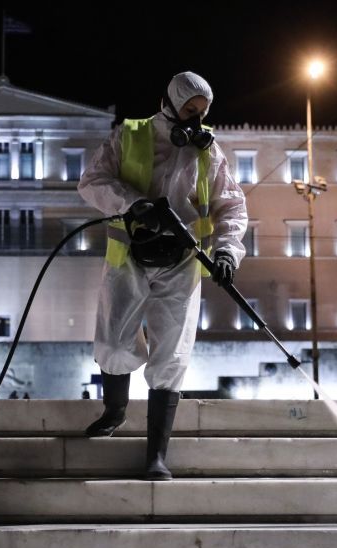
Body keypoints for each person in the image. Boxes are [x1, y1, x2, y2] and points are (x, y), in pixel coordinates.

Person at [77, 71, 248, 480]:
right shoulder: (129, 135)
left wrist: (226, 253)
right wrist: (133, 204)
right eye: (190, 110)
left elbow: (231, 206)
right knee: (115, 340)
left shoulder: (209, 153)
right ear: (169, 102)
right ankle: (115, 410)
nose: (196, 120)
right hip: (129, 257)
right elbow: (92, 181)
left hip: (183, 263)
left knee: (172, 353)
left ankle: (156, 456)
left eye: (203, 113)